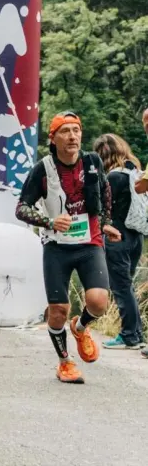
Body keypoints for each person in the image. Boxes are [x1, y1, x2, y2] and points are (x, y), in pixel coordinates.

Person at [15, 111, 119, 384]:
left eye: (76, 130)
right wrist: (48, 221)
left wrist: (106, 222)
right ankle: (65, 362)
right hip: (57, 246)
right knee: (58, 309)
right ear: (54, 138)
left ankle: (80, 327)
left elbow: (105, 192)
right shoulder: (43, 169)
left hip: (90, 242)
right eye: (65, 131)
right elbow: (21, 208)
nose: (72, 136)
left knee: (98, 302)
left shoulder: (92, 162)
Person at [92, 134, 145, 350]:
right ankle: (136, 334)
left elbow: (102, 209)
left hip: (117, 236)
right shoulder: (135, 172)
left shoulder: (113, 177)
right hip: (136, 236)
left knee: (121, 287)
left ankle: (129, 336)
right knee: (127, 286)